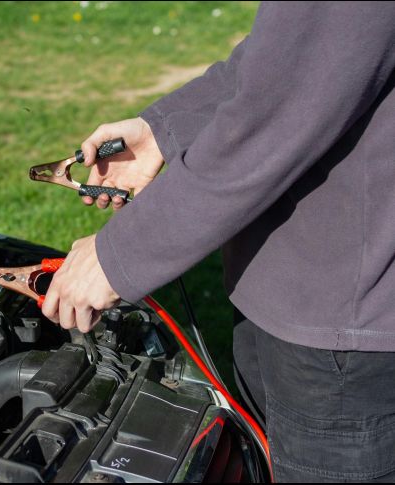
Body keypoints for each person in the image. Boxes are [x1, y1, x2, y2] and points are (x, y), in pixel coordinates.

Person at [39, 2, 395, 482]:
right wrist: (164, 129)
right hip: (287, 292)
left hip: (344, 331)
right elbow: (286, 58)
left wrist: (117, 256)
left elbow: (275, 119)